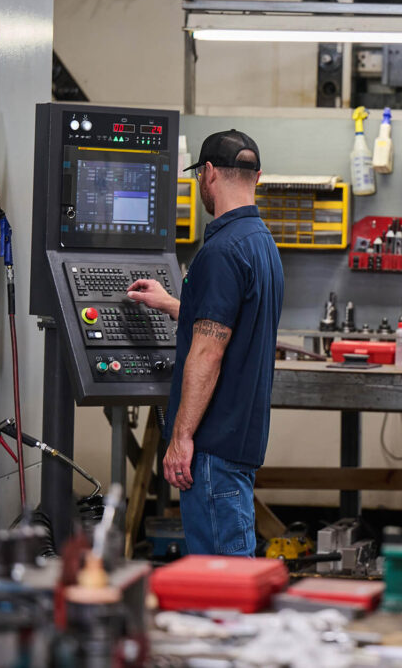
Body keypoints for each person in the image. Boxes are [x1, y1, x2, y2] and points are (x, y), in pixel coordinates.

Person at [127, 129, 283, 556]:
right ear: (257, 176)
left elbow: (208, 352)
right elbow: (229, 321)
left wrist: (181, 439)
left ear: (208, 173)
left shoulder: (221, 251)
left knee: (221, 580)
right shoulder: (261, 244)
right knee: (233, 569)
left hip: (211, 449)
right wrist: (173, 304)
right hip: (239, 443)